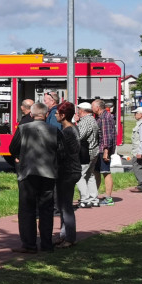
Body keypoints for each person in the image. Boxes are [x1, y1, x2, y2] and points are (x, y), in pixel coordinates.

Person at [8, 101, 61, 254]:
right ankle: (46, 244)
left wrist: (20, 156)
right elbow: (62, 151)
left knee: (27, 209)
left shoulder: (23, 128)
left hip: (28, 173)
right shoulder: (54, 130)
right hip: (48, 173)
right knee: (46, 209)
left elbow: (12, 148)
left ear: (31, 114)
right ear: (46, 115)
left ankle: (29, 244)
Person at [53, 102, 82, 247]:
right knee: (63, 204)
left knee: (66, 206)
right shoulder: (72, 128)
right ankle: (64, 235)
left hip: (68, 171)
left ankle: (70, 238)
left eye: (57, 112)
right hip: (71, 170)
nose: (55, 114)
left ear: (63, 115)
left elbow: (61, 153)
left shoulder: (67, 132)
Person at [74, 102, 99, 207]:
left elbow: (79, 136)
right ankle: (94, 198)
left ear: (82, 110)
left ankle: (85, 199)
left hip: (86, 153)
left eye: (78, 109)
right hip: (94, 151)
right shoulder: (92, 119)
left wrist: (74, 125)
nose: (77, 111)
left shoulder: (85, 121)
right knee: (90, 175)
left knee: (79, 175)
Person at [92, 98, 116, 205]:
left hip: (103, 150)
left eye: (92, 106)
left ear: (97, 107)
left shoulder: (105, 117)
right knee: (96, 172)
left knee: (106, 172)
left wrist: (106, 151)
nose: (91, 108)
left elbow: (107, 136)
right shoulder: (100, 117)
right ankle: (94, 196)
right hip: (99, 149)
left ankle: (108, 198)